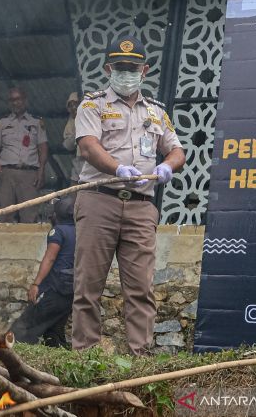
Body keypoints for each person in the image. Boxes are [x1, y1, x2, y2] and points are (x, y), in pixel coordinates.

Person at [72, 35, 186, 356]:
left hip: (141, 208)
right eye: (120, 67)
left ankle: (140, 356)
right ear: (109, 68)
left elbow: (177, 149)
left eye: (132, 67)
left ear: (144, 70)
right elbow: (88, 146)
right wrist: (118, 168)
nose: (126, 73)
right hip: (99, 200)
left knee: (140, 288)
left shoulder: (156, 112)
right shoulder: (93, 104)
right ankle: (86, 355)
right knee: (88, 285)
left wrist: (167, 166)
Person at [10, 195, 76, 347]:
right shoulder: (81, 231)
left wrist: (36, 284)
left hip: (55, 287)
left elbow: (50, 258)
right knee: (54, 331)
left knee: (22, 328)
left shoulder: (58, 231)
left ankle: (9, 356)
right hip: (71, 290)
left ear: (58, 213)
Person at [0, 87, 48, 223]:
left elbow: (43, 148)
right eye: (12, 100)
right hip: (7, 173)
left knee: (29, 215)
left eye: (18, 99)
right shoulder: (1, 123)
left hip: (29, 174)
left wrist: (41, 171)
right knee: (5, 214)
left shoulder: (36, 123)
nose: (15, 103)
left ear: (25, 100)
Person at [62, 91, 84, 184]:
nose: (73, 107)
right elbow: (67, 145)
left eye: (76, 104)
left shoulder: (91, 118)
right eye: (71, 105)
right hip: (78, 165)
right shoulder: (71, 122)